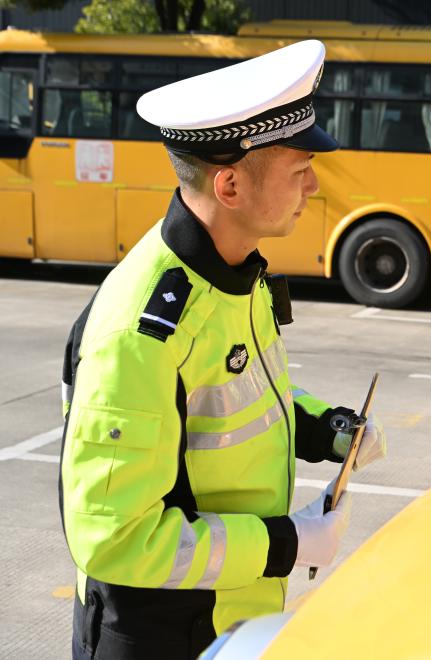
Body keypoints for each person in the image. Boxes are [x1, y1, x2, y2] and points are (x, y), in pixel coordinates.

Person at [58, 40, 386, 659]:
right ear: (230, 184)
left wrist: (326, 429)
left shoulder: (233, 273)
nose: (313, 184)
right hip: (162, 637)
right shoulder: (140, 331)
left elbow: (236, 398)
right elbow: (115, 538)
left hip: (226, 619)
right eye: (299, 168)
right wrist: (287, 544)